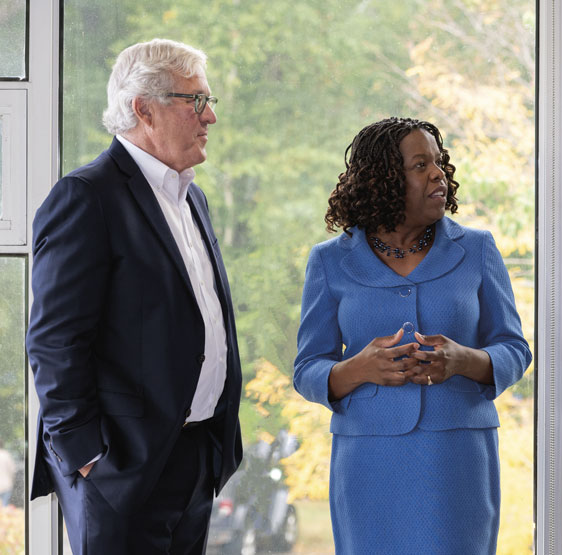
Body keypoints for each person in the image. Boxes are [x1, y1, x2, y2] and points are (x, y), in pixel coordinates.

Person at [26, 39, 243, 554]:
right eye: (195, 101)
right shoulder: (86, 196)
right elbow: (55, 341)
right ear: (143, 109)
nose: (209, 116)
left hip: (194, 455)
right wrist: (87, 456)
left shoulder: (193, 197)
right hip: (121, 469)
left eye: (208, 101)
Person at [294, 117, 531, 554]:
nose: (439, 174)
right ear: (383, 180)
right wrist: (358, 369)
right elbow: (308, 368)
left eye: (439, 163)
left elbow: (515, 349)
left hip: (456, 457)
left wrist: (464, 360)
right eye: (421, 165)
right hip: (369, 462)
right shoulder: (329, 261)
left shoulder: (477, 250)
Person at [0, 441, 15, 506]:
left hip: (5, 485)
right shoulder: (7, 455)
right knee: (4, 507)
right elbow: (12, 470)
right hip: (6, 485)